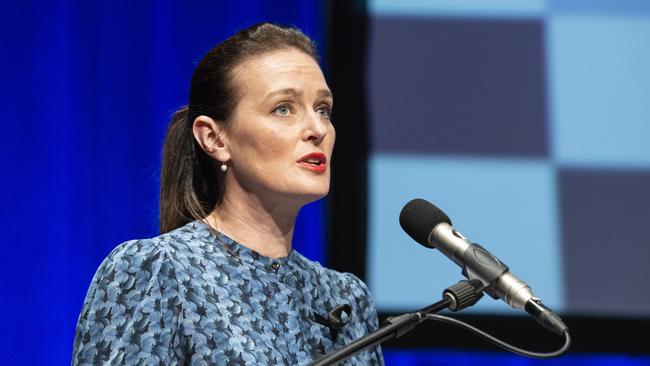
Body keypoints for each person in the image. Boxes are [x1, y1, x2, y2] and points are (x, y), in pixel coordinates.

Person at [71, 22, 384, 365]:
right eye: (283, 108)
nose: (317, 129)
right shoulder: (158, 269)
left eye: (323, 109)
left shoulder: (345, 297)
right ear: (215, 139)